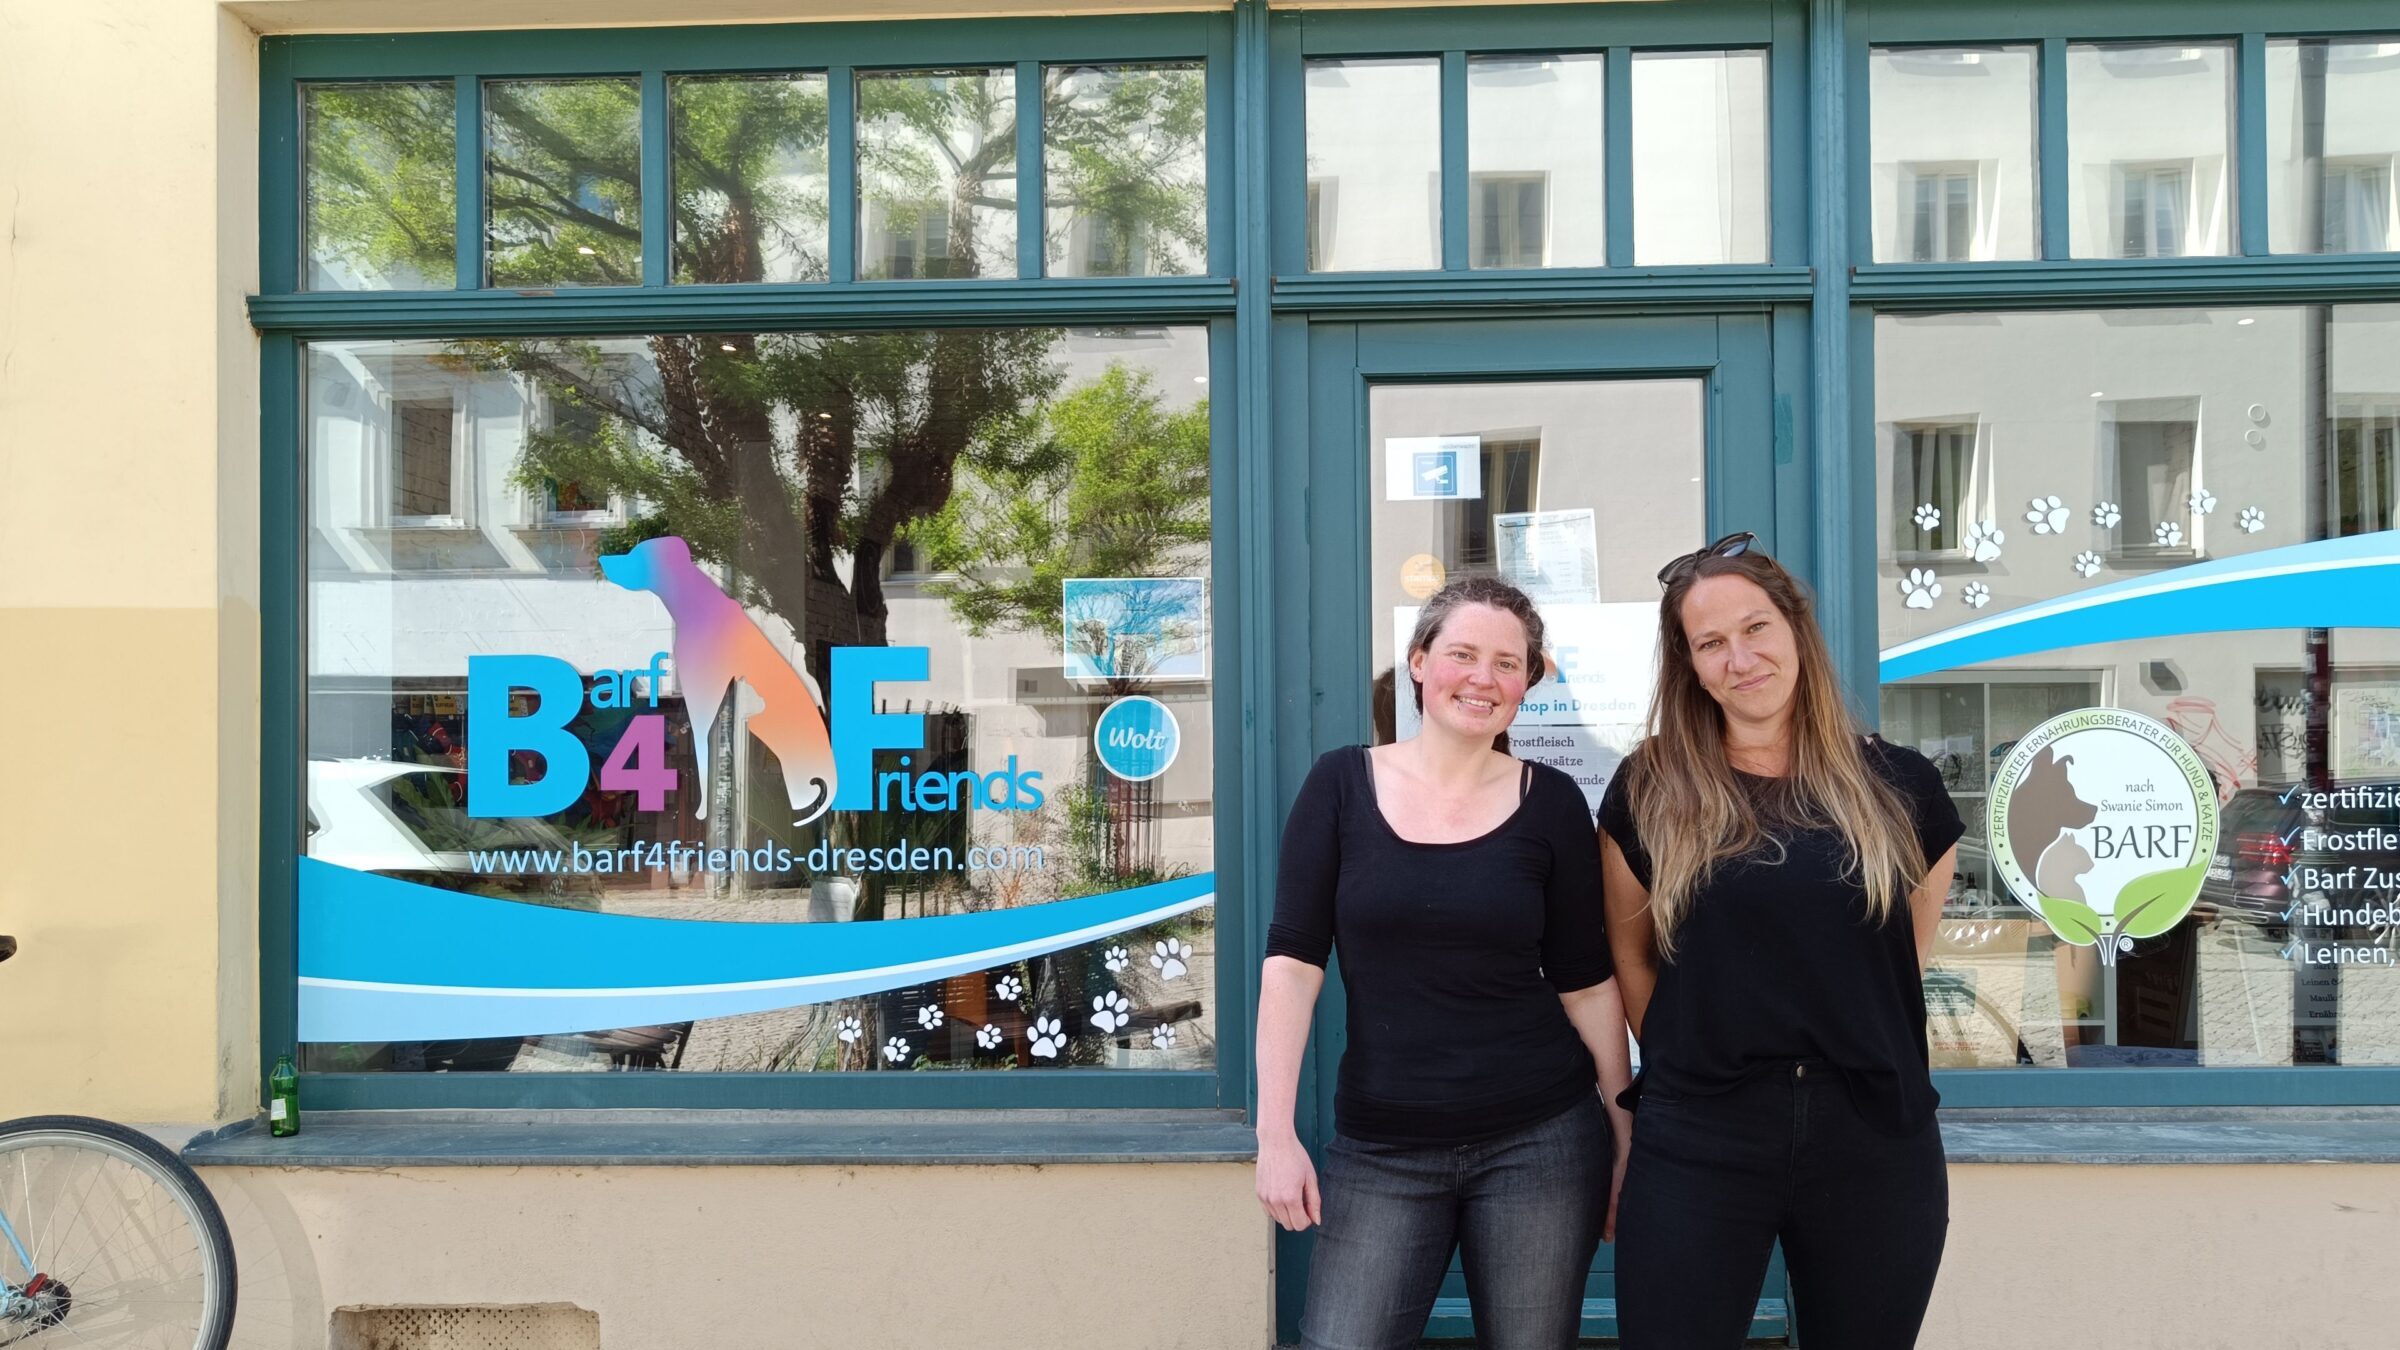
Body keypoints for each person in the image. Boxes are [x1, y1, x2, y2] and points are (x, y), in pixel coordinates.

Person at [1600, 533, 1963, 1350]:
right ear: (1689, 665)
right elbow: (1629, 953)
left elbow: (1904, 950)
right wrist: (1691, 1056)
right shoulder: (1652, 786)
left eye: (1756, 628)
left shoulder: (1901, 786)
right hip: (1701, 1133)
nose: (1741, 658)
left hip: (1871, 1132)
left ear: (1796, 629)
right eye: (1711, 643)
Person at [1256, 576, 1634, 1350]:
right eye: (1462, 654)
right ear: (1420, 663)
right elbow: (1293, 966)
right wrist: (1275, 1134)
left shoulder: (1554, 801)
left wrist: (1627, 1134)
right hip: (1384, 1147)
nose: (1483, 678)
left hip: (1543, 1139)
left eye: (1507, 663)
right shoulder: (1340, 785)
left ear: (1527, 683)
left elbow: (1586, 982)